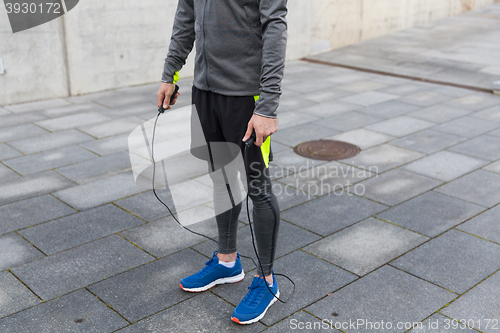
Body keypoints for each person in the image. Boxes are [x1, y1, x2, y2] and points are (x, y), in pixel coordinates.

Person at [157, 0, 288, 325]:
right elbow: (186, 16)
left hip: (247, 97)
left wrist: (268, 105)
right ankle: (228, 261)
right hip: (204, 90)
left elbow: (275, 26)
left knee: (257, 188)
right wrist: (169, 73)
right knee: (221, 178)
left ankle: (267, 282)